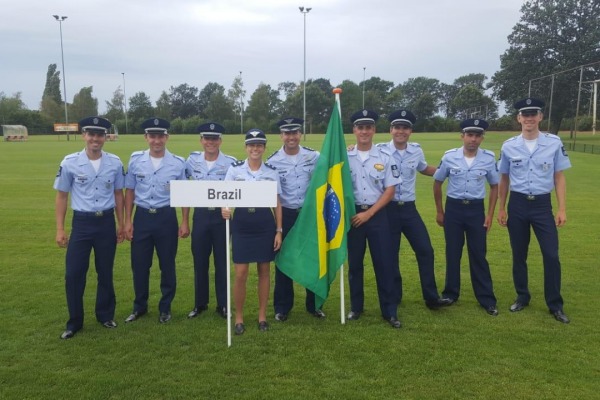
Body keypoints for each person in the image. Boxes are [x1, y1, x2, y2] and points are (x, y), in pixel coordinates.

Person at [497, 97, 572, 324]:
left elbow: (559, 177)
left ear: (540, 117)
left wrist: (561, 209)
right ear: (519, 118)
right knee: (519, 254)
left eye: (533, 114)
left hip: (542, 205)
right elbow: (504, 178)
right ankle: (522, 296)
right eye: (525, 114)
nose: (529, 118)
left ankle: (555, 304)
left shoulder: (554, 143)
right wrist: (501, 208)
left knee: (551, 255)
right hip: (517, 204)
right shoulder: (509, 145)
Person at [54, 116, 125, 339]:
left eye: (100, 135)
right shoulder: (70, 162)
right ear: (84, 135)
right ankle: (75, 321)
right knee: (74, 274)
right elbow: (62, 196)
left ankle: (105, 315)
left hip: (105, 222)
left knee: (105, 272)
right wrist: (60, 229)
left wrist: (122, 224)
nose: (95, 139)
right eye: (91, 134)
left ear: (105, 137)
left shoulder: (114, 162)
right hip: (82, 224)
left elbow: (119, 195)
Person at [378, 109, 451, 310]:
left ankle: (431, 298)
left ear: (410, 131)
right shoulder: (380, 150)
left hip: (409, 210)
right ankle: (394, 296)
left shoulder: (416, 150)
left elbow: (423, 168)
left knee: (425, 250)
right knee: (391, 254)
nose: (401, 131)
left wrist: (450, 170)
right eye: (397, 127)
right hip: (388, 210)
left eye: (405, 128)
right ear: (391, 130)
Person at [124, 118, 189, 324]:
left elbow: (183, 195)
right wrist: (127, 221)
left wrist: (185, 221)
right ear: (146, 138)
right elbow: (130, 192)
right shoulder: (135, 160)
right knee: (140, 265)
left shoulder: (178, 163)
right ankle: (139, 306)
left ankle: (165, 308)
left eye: (161, 136)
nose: (157, 140)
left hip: (166, 217)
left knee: (167, 264)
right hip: (142, 217)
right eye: (152, 136)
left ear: (167, 137)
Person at [433, 118, 499, 316]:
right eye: (470, 135)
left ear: (482, 138)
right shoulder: (449, 157)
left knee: (478, 254)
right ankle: (450, 294)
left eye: (478, 135)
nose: (473, 139)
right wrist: (439, 210)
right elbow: (437, 183)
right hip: (453, 209)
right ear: (462, 136)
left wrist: (489, 214)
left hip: (476, 211)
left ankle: (486, 299)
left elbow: (495, 186)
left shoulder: (488, 158)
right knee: (453, 253)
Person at [221, 129, 283, 335]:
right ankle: (239, 317)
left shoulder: (272, 171)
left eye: (259, 145)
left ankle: (262, 316)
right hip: (242, 223)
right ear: (246, 148)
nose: (255, 148)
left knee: (264, 271)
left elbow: (277, 203)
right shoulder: (235, 170)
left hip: (264, 223)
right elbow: (225, 196)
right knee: (240, 274)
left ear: (264, 148)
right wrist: (225, 208)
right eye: (251, 145)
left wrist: (278, 230)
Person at [346, 109, 402, 328]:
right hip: (353, 216)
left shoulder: (385, 157)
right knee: (355, 265)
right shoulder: (345, 156)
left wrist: (369, 214)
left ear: (374, 130)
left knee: (384, 264)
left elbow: (390, 190)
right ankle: (356, 308)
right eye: (360, 127)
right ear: (354, 130)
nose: (364, 131)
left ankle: (389, 312)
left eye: (368, 127)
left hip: (377, 215)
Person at [267, 117, 324, 322]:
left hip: (309, 214)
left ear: (300, 134)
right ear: (281, 136)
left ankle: (314, 305)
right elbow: (273, 195)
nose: (291, 137)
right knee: (284, 260)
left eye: (295, 133)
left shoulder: (313, 156)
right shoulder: (272, 161)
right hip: (287, 214)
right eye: (287, 133)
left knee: (312, 259)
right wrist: (278, 227)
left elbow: (332, 165)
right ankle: (282, 307)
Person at [184, 122, 236, 320]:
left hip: (221, 217)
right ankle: (200, 303)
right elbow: (185, 189)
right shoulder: (191, 161)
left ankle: (223, 304)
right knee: (200, 261)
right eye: (207, 138)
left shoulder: (230, 163)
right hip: (201, 216)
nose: (210, 142)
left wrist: (230, 208)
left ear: (220, 141)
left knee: (222, 262)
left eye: (214, 139)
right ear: (201, 140)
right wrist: (186, 221)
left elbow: (238, 190)